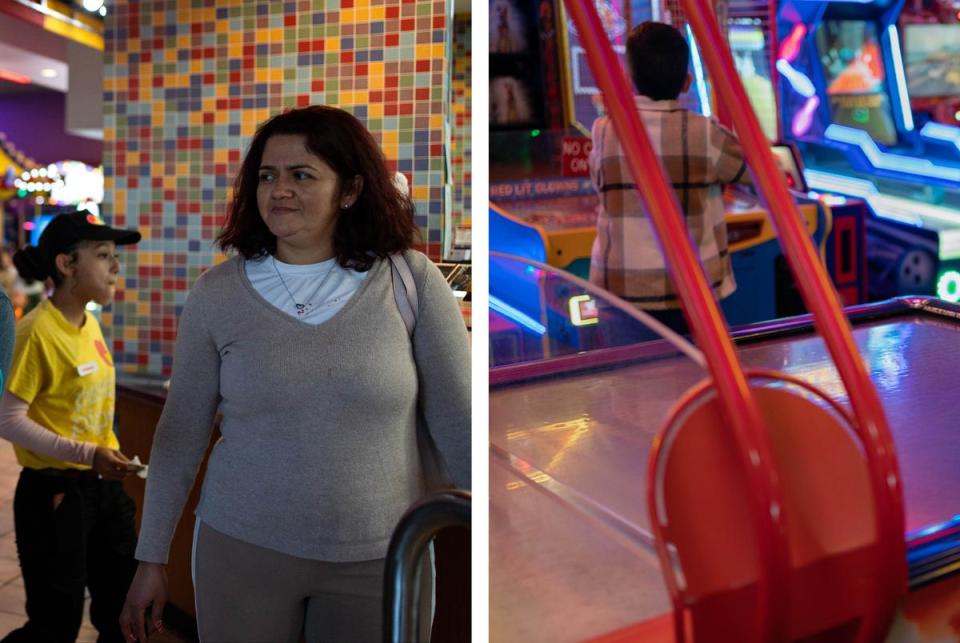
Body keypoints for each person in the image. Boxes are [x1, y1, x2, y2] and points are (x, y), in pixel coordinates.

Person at [120, 105, 471, 642]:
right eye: (267, 176)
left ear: (350, 190)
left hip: (381, 557)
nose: (279, 190)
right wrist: (151, 558)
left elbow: (458, 421)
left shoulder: (411, 282)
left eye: (301, 175)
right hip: (241, 550)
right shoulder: (217, 295)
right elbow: (181, 433)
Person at [0, 211, 143, 643]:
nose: (115, 267)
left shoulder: (90, 323)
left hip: (103, 492)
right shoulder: (35, 332)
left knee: (120, 612)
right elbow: (7, 420)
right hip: (54, 496)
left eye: (115, 255)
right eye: (103, 255)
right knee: (54, 624)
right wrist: (87, 453)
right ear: (66, 265)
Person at [588, 21, 747, 335]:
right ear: (688, 82)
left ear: (628, 79)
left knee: (629, 379)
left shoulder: (605, 130)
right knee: (696, 379)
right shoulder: (705, 134)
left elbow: (599, 181)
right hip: (691, 292)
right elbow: (753, 170)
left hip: (621, 292)